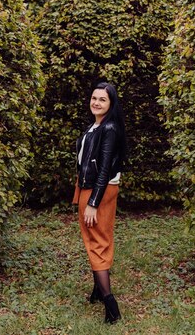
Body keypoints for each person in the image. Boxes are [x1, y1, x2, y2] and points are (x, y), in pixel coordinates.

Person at [72, 82, 127, 324]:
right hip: (88, 187)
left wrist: (93, 201)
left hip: (99, 190)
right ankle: (98, 289)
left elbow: (104, 169)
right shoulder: (96, 126)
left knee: (98, 241)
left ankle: (111, 305)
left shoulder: (109, 128)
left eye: (102, 100)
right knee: (92, 236)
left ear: (111, 104)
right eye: (94, 97)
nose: (96, 102)